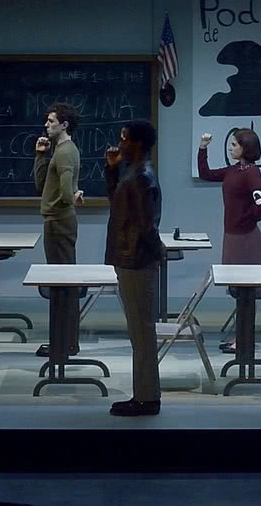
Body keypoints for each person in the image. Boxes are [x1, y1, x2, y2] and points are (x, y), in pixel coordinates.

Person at [103, 119, 164, 416]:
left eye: (125, 138)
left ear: (138, 143)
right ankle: (144, 394)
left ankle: (147, 398)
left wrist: (158, 252)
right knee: (139, 332)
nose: (120, 144)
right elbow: (118, 204)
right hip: (131, 259)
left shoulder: (142, 176)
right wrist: (111, 171)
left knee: (142, 333)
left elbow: (146, 225)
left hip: (137, 260)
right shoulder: (133, 173)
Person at [197, 127, 261, 354]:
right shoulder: (233, 170)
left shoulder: (251, 172)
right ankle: (241, 335)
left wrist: (245, 220)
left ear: (245, 147)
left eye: (234, 145)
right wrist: (202, 149)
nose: (230, 148)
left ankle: (245, 338)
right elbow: (206, 174)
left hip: (245, 239)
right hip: (233, 236)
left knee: (246, 291)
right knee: (239, 291)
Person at [33, 103, 81, 359]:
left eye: (51, 121)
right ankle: (65, 341)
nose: (46, 125)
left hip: (59, 222)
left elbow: (64, 190)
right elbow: (42, 185)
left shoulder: (65, 153)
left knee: (62, 284)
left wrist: (71, 197)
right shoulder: (60, 151)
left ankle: (64, 343)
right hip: (59, 220)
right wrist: (40, 156)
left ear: (64, 125)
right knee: (63, 283)